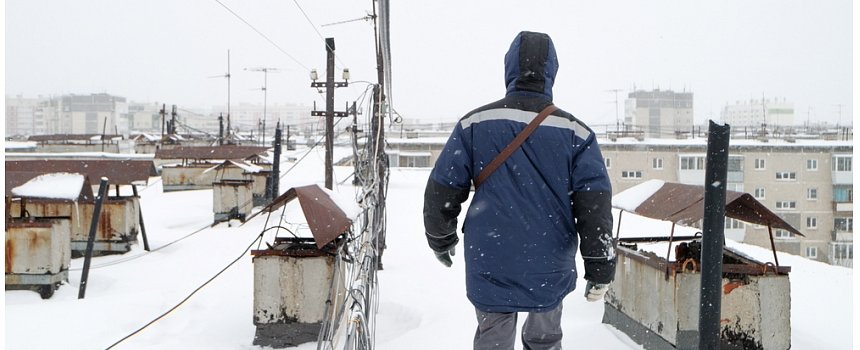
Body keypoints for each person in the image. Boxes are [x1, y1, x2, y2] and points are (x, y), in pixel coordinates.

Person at [423, 31, 616, 350]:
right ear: (552, 71)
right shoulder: (576, 133)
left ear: (509, 68)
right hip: (550, 257)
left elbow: (443, 188)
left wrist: (441, 238)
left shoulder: (475, 124)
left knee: (493, 338)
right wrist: (599, 265)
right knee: (545, 336)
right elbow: (593, 205)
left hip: (491, 255)